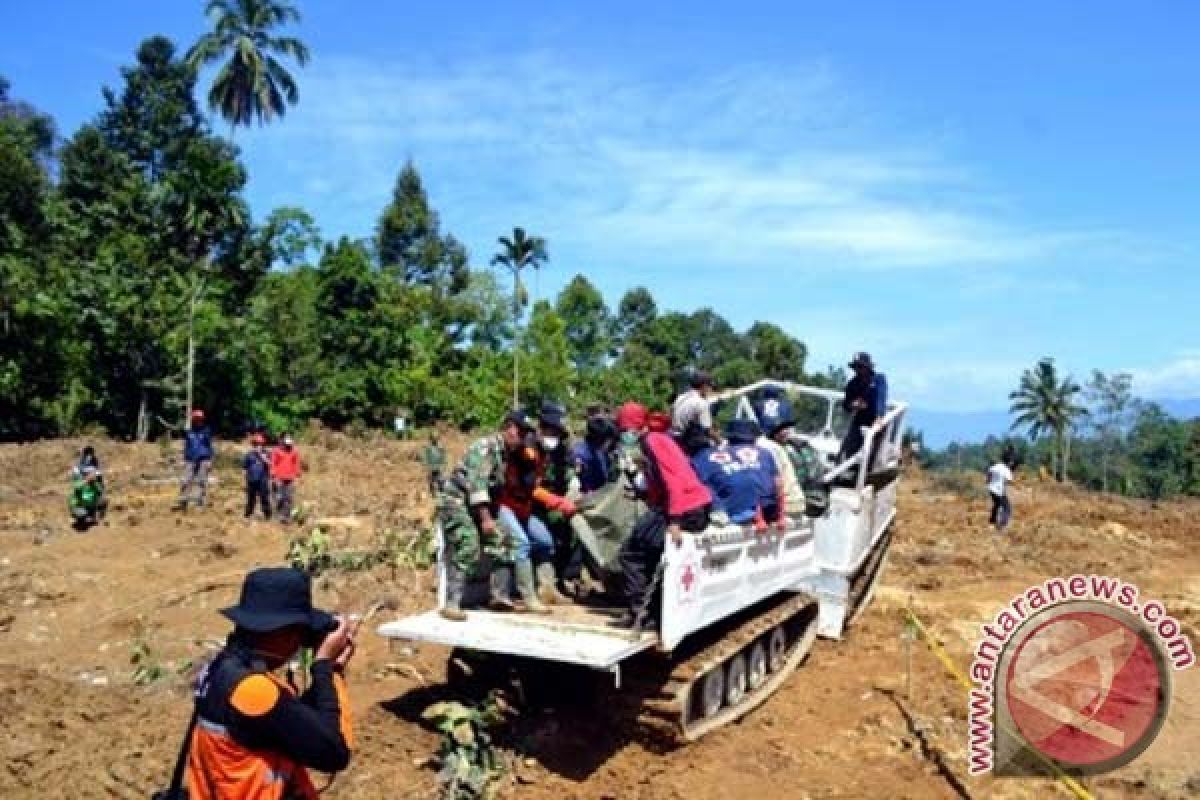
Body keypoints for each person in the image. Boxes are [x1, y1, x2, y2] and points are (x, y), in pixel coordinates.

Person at [185, 567, 356, 799]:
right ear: (282, 633)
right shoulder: (254, 691)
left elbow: (289, 722)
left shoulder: (221, 669)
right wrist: (326, 667)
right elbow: (333, 753)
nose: (299, 644)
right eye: (299, 634)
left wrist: (326, 671)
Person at [437, 411, 576, 620]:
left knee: (505, 542)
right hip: (457, 502)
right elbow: (478, 485)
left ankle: (502, 597)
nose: (521, 437)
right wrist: (486, 519)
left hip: (483, 504)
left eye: (524, 433)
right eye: (519, 432)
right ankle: (452, 604)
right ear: (508, 427)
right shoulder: (486, 448)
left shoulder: (507, 452)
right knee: (469, 543)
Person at [616, 402, 712, 628]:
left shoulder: (653, 442)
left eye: (624, 430)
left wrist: (675, 521)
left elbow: (674, 480)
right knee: (649, 550)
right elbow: (661, 482)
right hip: (691, 504)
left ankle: (641, 612)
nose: (623, 435)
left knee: (631, 553)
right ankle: (652, 611)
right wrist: (643, 494)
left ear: (634, 427)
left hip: (685, 508)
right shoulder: (658, 441)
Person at [535, 401, 577, 605]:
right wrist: (553, 500)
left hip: (556, 501)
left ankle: (556, 582)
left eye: (557, 432)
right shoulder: (529, 447)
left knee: (568, 537)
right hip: (531, 501)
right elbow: (529, 487)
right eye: (550, 431)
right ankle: (544, 586)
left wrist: (572, 492)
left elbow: (569, 472)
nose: (554, 437)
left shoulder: (562, 448)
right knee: (544, 539)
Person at [753, 393, 807, 518]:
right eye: (783, 428)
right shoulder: (777, 448)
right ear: (774, 432)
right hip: (795, 502)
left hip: (787, 504)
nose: (787, 432)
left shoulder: (767, 446)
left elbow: (775, 484)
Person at [839, 352, 889, 470]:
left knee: (871, 453)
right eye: (856, 367)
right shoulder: (852, 383)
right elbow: (846, 404)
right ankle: (848, 474)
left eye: (860, 366)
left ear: (868, 367)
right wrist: (853, 405)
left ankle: (867, 474)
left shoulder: (879, 380)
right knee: (849, 449)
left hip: (876, 422)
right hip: (859, 420)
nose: (858, 370)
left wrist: (879, 417)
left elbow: (881, 398)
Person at [176, 409, 214, 511]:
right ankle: (183, 503)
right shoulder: (189, 432)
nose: (198, 421)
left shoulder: (206, 431)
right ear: (193, 420)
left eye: (200, 419)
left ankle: (199, 504)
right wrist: (183, 459)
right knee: (185, 480)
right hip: (190, 460)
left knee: (201, 482)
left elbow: (209, 446)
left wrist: (210, 460)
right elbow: (186, 445)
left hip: (203, 460)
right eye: (196, 419)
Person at [671, 370, 718, 442]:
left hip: (675, 440)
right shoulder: (701, 402)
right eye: (710, 386)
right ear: (704, 386)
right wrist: (721, 441)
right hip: (689, 443)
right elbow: (708, 431)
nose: (710, 390)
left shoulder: (680, 398)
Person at [270, 434, 301, 525]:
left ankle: (286, 516)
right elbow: (273, 463)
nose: (288, 446)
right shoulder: (276, 451)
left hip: (290, 478)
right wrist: (273, 476)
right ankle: (278, 516)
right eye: (286, 444)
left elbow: (296, 464)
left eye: (289, 444)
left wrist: (298, 474)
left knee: (288, 498)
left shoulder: (294, 452)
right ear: (283, 443)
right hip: (279, 478)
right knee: (279, 497)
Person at [243, 433, 272, 520]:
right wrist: (245, 479)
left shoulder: (267, 454)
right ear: (253, 444)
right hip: (251, 480)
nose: (259, 446)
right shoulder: (249, 454)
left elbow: (271, 465)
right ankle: (247, 515)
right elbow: (244, 468)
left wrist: (264, 459)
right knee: (251, 499)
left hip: (263, 480)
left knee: (264, 498)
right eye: (257, 444)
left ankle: (268, 516)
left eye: (260, 444)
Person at [986, 455, 1017, 533]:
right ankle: (1001, 526)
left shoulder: (996, 466)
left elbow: (989, 473)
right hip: (999, 491)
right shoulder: (1007, 470)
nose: (1012, 463)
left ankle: (991, 523)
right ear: (1009, 462)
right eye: (1012, 462)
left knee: (996, 505)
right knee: (1007, 508)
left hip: (991, 489)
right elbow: (1010, 481)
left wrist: (989, 481)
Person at [69, 466, 106, 530]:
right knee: (81, 513)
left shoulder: (95, 484)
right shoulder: (80, 482)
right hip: (79, 507)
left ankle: (94, 518)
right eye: (93, 475)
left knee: (103, 501)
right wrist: (87, 481)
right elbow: (77, 487)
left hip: (89, 506)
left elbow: (100, 493)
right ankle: (81, 521)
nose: (94, 477)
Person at [421, 430, 447, 495]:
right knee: (431, 481)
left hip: (438, 467)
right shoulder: (428, 448)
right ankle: (433, 493)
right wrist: (426, 465)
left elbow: (443, 457)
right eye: (433, 438)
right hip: (431, 467)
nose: (434, 440)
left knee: (441, 480)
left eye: (435, 438)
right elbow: (425, 457)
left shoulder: (440, 447)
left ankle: (441, 492)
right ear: (431, 439)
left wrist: (443, 465)